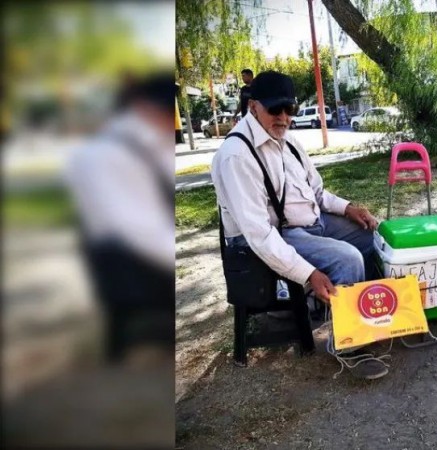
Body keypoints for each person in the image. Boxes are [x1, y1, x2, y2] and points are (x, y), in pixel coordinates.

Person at [211, 70, 388, 380]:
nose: (283, 117)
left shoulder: (288, 141)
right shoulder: (237, 155)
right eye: (275, 109)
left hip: (306, 224)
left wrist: (348, 208)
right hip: (270, 236)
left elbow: (317, 193)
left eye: (289, 109)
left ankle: (370, 315)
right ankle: (348, 344)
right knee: (347, 258)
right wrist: (308, 273)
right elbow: (259, 234)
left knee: (375, 235)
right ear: (253, 107)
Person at [65, 72, 176, 366]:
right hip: (122, 261)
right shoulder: (103, 154)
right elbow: (138, 229)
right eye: (167, 113)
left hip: (138, 249)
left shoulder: (144, 143)